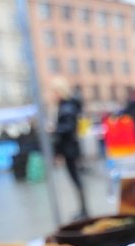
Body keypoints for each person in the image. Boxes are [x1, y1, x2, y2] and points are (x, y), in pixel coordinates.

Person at [53, 78, 88, 219]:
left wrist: (54, 129)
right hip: (69, 148)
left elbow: (68, 128)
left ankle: (84, 209)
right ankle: (83, 208)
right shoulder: (66, 106)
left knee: (76, 179)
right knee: (75, 179)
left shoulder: (67, 107)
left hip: (70, 149)